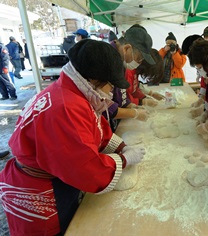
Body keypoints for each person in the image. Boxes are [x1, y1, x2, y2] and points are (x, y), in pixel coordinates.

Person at [0, 39, 146, 235]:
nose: (112, 90)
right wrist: (125, 159)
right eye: (110, 84)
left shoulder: (71, 92)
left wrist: (121, 147)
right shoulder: (66, 108)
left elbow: (94, 129)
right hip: (41, 190)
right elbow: (86, 168)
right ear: (94, 80)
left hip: (51, 176)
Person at [0, 36, 17, 100]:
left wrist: (5, 67)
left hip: (2, 68)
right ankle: (5, 95)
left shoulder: (2, 47)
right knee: (1, 84)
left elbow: (5, 58)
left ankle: (13, 95)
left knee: (7, 82)